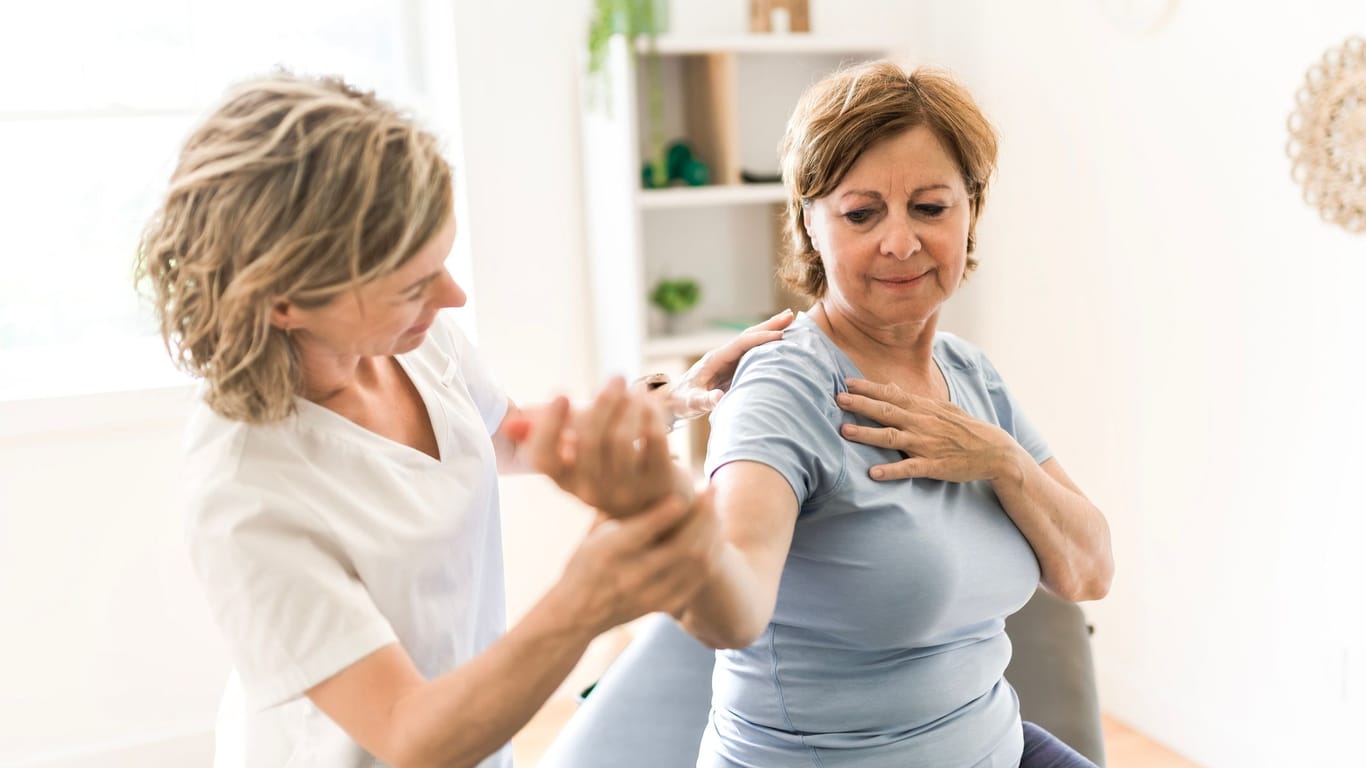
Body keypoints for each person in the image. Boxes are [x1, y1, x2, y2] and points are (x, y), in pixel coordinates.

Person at [134, 71, 790, 768]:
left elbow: (503, 436)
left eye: (440, 263)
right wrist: (588, 596)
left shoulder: (409, 338)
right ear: (285, 302)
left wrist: (661, 400)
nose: (453, 295)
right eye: (413, 285)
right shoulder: (244, 490)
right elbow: (412, 738)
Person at [665, 61, 1115, 767]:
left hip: (990, 740)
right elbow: (732, 604)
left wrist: (1002, 460)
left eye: (931, 208)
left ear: (970, 212)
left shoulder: (970, 376)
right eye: (861, 213)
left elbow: (1091, 571)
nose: (900, 242)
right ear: (809, 225)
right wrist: (652, 509)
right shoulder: (786, 386)